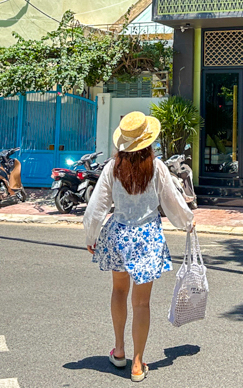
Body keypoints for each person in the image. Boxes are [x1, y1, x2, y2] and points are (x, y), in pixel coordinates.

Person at [84, 112, 195, 382]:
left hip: (118, 235)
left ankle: (119, 351)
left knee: (119, 291)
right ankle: (137, 363)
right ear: (148, 140)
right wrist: (186, 223)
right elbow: (172, 202)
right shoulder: (156, 167)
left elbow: (97, 206)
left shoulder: (112, 167)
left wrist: (91, 236)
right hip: (147, 238)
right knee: (142, 302)